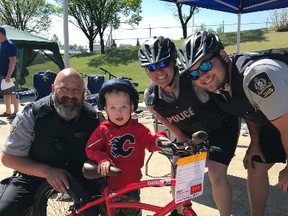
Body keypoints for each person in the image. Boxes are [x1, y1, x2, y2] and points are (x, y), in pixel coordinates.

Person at [177, 31, 287, 216]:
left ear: (223, 54)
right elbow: (247, 109)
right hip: (277, 118)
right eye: (194, 73)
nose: (202, 76)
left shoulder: (257, 77)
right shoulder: (220, 83)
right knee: (256, 164)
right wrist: (255, 143)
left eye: (205, 64)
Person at [138, 36, 240, 216]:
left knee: (215, 173)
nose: (159, 72)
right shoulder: (152, 97)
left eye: (163, 64)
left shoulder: (194, 78)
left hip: (220, 127)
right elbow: (162, 117)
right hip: (190, 131)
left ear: (173, 62)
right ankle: (178, 211)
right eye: (152, 67)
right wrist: (181, 138)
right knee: (177, 168)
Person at [0, 68, 104, 215]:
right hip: (34, 176)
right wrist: (47, 172)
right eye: (64, 89)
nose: (70, 95)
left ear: (84, 92)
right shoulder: (32, 114)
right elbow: (8, 158)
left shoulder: (95, 119)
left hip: (80, 178)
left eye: (76, 90)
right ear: (53, 89)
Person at [85, 78, 169, 216]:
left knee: (133, 213)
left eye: (123, 107)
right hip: (110, 186)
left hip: (132, 186)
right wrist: (103, 159)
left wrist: (159, 139)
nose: (118, 112)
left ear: (132, 107)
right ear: (105, 109)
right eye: (112, 108)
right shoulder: (103, 130)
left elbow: (150, 142)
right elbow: (91, 149)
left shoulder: (139, 129)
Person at [0, 26, 19, 119]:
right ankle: (8, 111)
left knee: (13, 93)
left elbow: (13, 60)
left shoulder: (10, 45)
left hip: (10, 75)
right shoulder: (1, 44)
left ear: (0, 34)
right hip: (3, 75)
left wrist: (9, 75)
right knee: (6, 93)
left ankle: (16, 112)